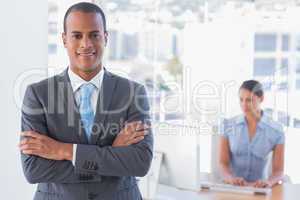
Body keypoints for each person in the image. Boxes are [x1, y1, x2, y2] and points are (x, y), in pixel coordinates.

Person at [19, 2, 153, 200]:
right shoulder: (38, 94)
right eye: (77, 36)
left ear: (105, 38)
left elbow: (140, 162)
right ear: (64, 39)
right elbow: (34, 170)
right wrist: (113, 154)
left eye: (94, 35)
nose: (86, 44)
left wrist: (62, 150)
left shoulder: (133, 93)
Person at [219, 80, 285, 188]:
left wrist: (268, 182)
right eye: (241, 100)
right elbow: (223, 163)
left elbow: (279, 171)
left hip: (259, 190)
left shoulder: (276, 131)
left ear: (261, 98)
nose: (244, 105)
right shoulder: (228, 126)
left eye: (249, 100)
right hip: (233, 188)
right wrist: (231, 179)